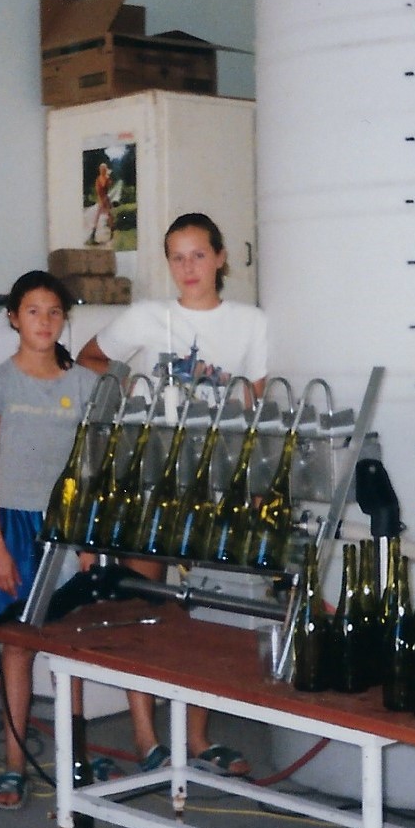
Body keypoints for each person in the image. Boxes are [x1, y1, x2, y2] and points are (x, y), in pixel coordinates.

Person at [78, 211, 267, 776]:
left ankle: (198, 738)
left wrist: (253, 487)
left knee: (209, 608)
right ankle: (144, 735)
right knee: (143, 602)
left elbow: (254, 408)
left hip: (219, 478)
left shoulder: (251, 323)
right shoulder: (145, 316)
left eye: (199, 255)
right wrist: (127, 383)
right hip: (151, 472)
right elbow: (89, 358)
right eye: (177, 257)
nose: (189, 268)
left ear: (221, 257)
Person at [0, 270, 100, 809]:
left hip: (67, 530)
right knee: (16, 651)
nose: (44, 322)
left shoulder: (85, 385)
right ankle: (13, 764)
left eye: (54, 312)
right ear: (13, 318)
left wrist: (89, 540)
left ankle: (73, 758)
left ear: (64, 318)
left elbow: (93, 472)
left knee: (67, 650)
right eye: (32, 311)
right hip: (13, 529)